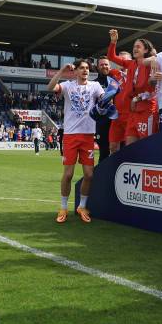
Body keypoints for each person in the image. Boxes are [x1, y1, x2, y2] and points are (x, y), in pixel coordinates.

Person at [47, 59, 104, 224]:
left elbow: (103, 99)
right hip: (71, 135)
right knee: (68, 174)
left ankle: (82, 206)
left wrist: (107, 100)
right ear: (76, 71)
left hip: (88, 135)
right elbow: (50, 88)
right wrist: (61, 71)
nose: (85, 70)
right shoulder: (67, 85)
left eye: (87, 68)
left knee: (89, 174)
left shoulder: (95, 86)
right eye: (82, 68)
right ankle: (63, 207)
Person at [108, 30, 158, 144]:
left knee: (146, 146)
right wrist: (113, 42)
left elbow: (154, 91)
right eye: (134, 46)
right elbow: (111, 56)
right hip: (133, 111)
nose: (135, 48)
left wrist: (138, 99)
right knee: (130, 147)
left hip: (147, 110)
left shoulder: (152, 64)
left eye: (138, 47)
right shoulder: (130, 63)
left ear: (146, 50)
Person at [94, 57, 112, 162]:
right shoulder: (93, 84)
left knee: (118, 150)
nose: (104, 66)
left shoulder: (116, 81)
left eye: (106, 64)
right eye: (102, 65)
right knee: (104, 152)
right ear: (97, 67)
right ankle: (102, 177)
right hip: (101, 123)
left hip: (116, 121)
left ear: (109, 66)